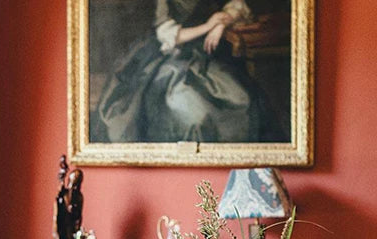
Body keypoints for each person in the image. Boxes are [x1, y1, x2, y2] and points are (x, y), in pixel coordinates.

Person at [95, 0, 286, 144]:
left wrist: (221, 24)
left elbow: (237, 6)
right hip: (170, 57)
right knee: (193, 110)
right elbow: (168, 35)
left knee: (241, 100)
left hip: (206, 56)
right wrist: (209, 26)